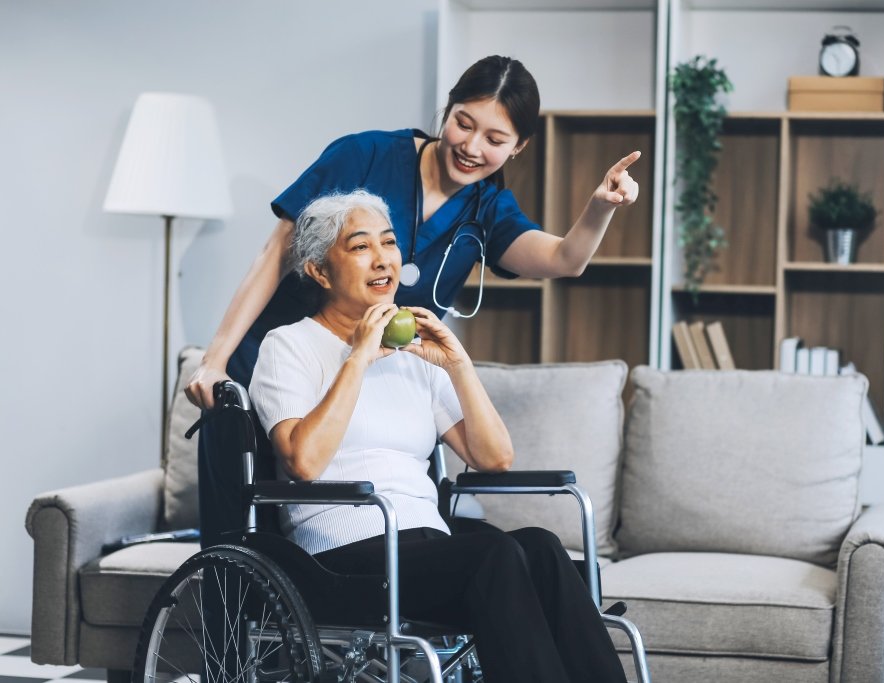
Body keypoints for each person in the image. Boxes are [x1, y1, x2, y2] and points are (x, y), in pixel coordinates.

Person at [188, 54, 639, 545]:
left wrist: (600, 208)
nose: (470, 147)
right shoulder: (365, 157)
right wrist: (216, 361)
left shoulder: (485, 207)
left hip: (379, 386)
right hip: (291, 371)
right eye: (463, 124)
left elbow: (563, 259)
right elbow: (277, 252)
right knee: (246, 540)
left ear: (518, 148)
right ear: (446, 112)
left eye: (494, 139)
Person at [248, 190, 628, 683]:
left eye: (388, 243)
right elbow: (304, 463)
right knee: (492, 554)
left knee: (541, 548)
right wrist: (358, 357)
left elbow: (494, 458)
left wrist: (457, 363)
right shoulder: (289, 346)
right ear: (320, 271)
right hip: (339, 557)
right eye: (360, 247)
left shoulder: (413, 351)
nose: (383, 257)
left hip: (425, 546)